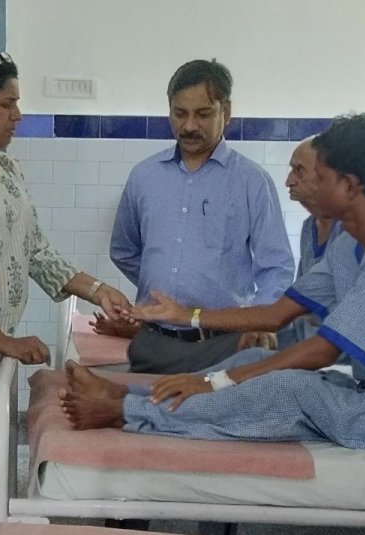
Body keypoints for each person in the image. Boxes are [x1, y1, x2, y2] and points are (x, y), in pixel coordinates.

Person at [59, 113, 365, 459]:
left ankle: (124, 412)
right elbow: (279, 313)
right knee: (263, 360)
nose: (301, 181)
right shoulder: (349, 247)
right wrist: (186, 315)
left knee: (292, 387)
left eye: (317, 172)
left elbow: (320, 351)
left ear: (349, 184)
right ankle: (126, 394)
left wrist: (218, 381)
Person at [0, 50, 133, 535]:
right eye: (7, 105)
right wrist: (3, 340)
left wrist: (99, 290)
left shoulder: (8, 172)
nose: (19, 116)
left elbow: (37, 253)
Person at [110, 59, 295, 374]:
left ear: (227, 112)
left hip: (224, 345)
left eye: (203, 114)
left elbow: (276, 267)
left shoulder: (252, 182)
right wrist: (166, 288)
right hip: (154, 341)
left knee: (212, 419)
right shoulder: (144, 177)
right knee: (139, 420)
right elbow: (124, 250)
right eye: (180, 114)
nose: (190, 126)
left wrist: (260, 320)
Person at [284, 138, 341, 344]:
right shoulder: (310, 228)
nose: (289, 181)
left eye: (299, 171)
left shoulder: (352, 234)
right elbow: (301, 298)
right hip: (310, 339)